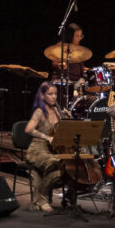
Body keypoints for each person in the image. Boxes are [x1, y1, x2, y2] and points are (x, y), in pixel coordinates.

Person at [24, 81, 68, 211]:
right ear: (42, 96)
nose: (54, 97)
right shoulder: (39, 111)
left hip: (51, 150)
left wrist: (67, 120)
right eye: (50, 94)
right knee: (56, 163)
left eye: (55, 94)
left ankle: (40, 200)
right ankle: (43, 199)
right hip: (37, 149)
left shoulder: (57, 111)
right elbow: (28, 129)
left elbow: (60, 133)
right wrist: (47, 137)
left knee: (64, 167)